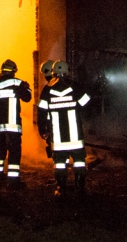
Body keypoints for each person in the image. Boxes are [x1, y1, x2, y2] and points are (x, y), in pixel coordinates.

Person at [37, 60, 92, 196]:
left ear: (53, 72)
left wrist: (42, 130)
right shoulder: (75, 87)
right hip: (76, 137)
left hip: (58, 138)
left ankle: (61, 188)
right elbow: (87, 104)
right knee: (79, 162)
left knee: (60, 163)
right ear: (67, 72)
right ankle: (79, 188)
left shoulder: (47, 90)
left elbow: (41, 113)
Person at [0, 59, 32, 184]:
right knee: (14, 152)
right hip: (14, 126)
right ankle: (13, 181)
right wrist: (28, 88)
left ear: (2, 70)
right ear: (14, 70)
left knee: (0, 149)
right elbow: (27, 98)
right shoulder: (18, 83)